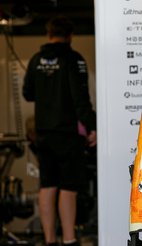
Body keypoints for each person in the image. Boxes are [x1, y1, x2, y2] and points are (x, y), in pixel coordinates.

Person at [23, 15, 97, 246]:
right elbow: (80, 97)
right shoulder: (74, 59)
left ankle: (49, 240)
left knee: (47, 186)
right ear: (71, 35)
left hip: (43, 133)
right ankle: (69, 239)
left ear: (48, 35)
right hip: (67, 134)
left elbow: (27, 93)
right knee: (68, 188)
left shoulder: (36, 59)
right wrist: (92, 126)